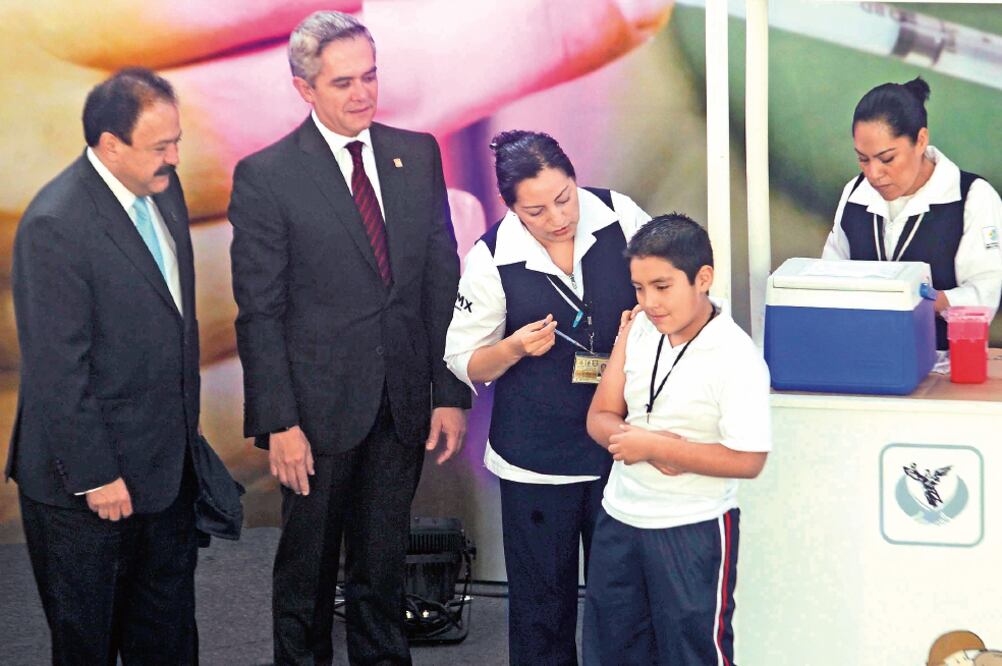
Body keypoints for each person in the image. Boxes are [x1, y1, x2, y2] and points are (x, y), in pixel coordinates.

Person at [227, 11, 470, 665]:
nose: (362, 93)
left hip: (400, 405)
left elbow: (442, 283)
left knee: (383, 569)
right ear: (305, 89)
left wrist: (449, 391)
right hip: (314, 416)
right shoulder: (266, 175)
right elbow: (260, 312)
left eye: (370, 76)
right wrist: (278, 422)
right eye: (343, 83)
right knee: (306, 579)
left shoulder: (416, 153)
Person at [6, 68, 201, 663]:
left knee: (166, 638)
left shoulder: (163, 189)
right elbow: (57, 369)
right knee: (88, 644)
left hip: (166, 476)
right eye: (160, 146)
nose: (174, 158)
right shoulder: (55, 224)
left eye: (177, 142)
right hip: (86, 488)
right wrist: (96, 475)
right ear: (110, 145)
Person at [444, 130, 650, 664]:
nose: (558, 217)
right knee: (542, 610)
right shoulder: (492, 256)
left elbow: (669, 286)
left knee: (624, 605)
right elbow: (465, 359)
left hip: (617, 451)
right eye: (536, 210)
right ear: (511, 209)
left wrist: (644, 320)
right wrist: (511, 347)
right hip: (536, 460)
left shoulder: (619, 216)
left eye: (565, 198)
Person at [583, 214, 771, 665]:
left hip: (693, 525)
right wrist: (637, 440)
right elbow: (599, 416)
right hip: (620, 517)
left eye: (662, 286)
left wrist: (659, 448)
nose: (650, 302)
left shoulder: (735, 355)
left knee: (693, 653)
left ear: (702, 279)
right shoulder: (638, 330)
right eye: (639, 288)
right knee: (613, 651)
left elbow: (749, 459)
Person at [823, 77, 1002, 350]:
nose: (873, 174)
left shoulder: (973, 197)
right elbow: (827, 278)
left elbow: (984, 296)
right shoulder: (854, 193)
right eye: (862, 159)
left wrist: (920, 298)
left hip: (945, 369)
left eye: (886, 159)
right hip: (862, 357)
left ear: (920, 140)